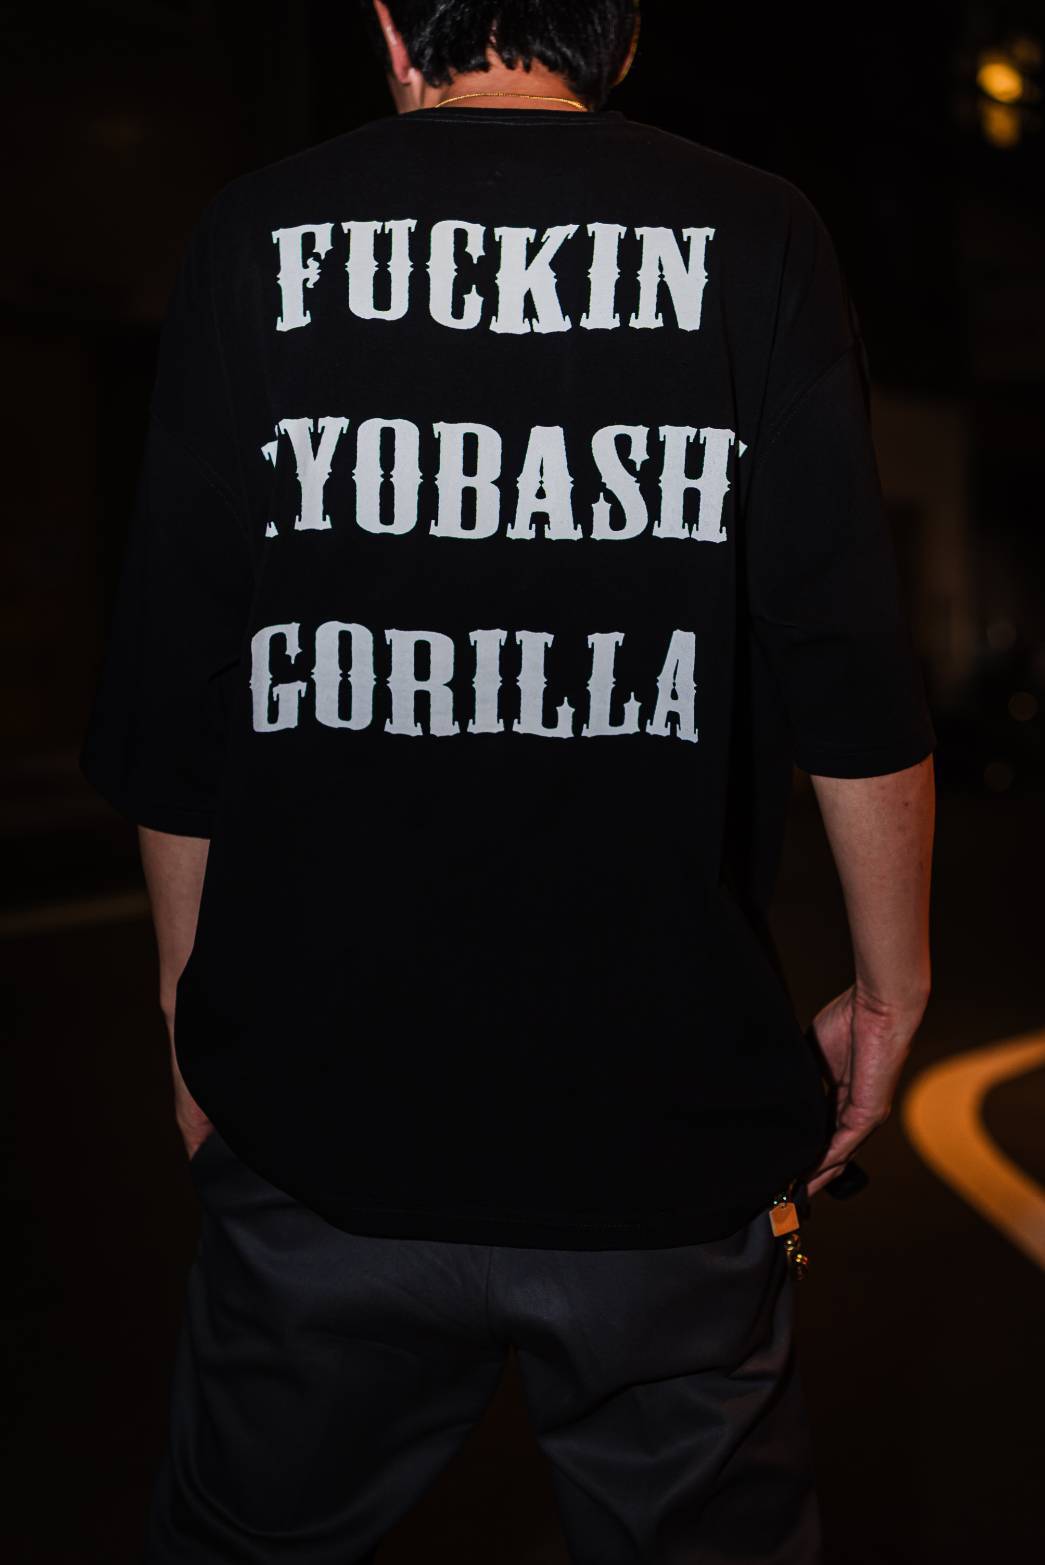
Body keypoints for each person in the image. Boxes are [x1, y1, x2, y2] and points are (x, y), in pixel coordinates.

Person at [79, 2, 936, 1560]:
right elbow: (846, 656)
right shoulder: (757, 233)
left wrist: (192, 1022)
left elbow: (178, 677)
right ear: (622, 36)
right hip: (660, 1135)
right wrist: (888, 990)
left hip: (325, 1128)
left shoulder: (253, 235)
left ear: (392, 26)